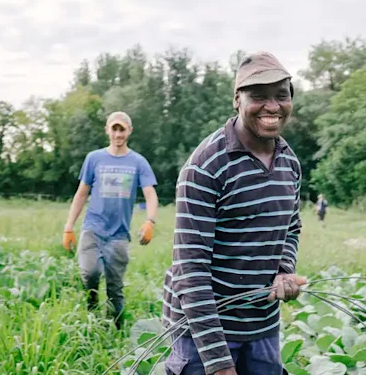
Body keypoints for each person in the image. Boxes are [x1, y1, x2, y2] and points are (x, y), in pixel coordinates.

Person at [162, 51, 306, 375]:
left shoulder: (290, 163)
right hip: (203, 329)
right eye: (258, 96)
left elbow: (291, 228)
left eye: (281, 95)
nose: (272, 106)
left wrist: (284, 269)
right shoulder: (206, 167)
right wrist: (218, 363)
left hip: (262, 323)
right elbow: (190, 269)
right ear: (237, 100)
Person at [62, 111, 159, 329]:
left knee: (115, 288)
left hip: (119, 235)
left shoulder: (138, 162)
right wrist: (68, 226)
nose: (117, 134)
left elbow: (151, 194)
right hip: (93, 228)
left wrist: (149, 221)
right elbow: (81, 193)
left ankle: (116, 331)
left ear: (129, 131)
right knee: (90, 273)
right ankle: (92, 311)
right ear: (107, 130)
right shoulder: (94, 158)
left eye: (121, 129)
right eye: (114, 129)